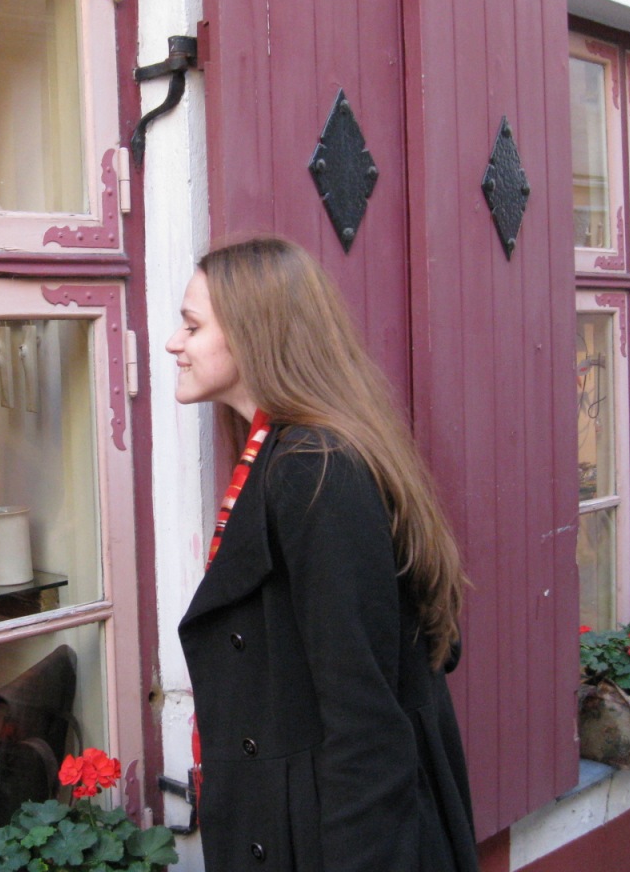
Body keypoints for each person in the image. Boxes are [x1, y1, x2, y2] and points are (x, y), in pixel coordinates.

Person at [166, 237, 479, 871]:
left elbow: (365, 720)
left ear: (253, 336)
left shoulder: (313, 469)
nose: (175, 343)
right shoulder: (285, 452)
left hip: (327, 839)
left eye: (192, 326)